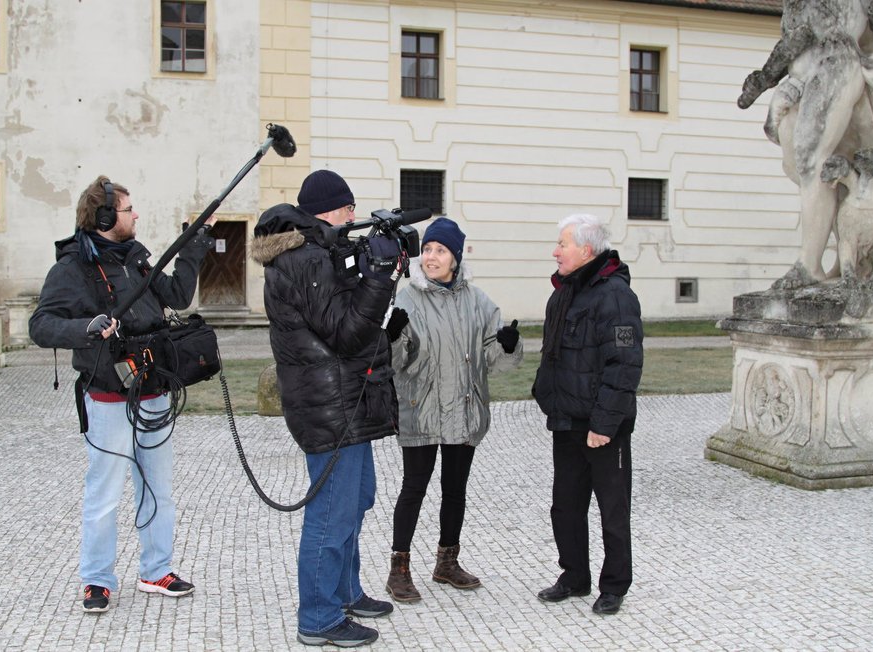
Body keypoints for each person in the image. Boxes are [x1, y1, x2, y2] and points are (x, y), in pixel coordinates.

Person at [28, 176, 215, 613]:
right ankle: (97, 579)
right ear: (106, 216)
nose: (136, 215)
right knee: (105, 491)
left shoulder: (136, 260)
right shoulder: (71, 269)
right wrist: (85, 327)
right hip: (109, 396)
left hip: (154, 389)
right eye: (129, 209)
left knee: (158, 488)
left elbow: (177, 296)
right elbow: (41, 325)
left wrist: (193, 245)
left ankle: (156, 570)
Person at [250, 170, 402, 648]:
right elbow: (346, 332)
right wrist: (378, 277)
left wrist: (368, 272)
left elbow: (343, 318)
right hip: (329, 405)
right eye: (348, 207)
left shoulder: (316, 253)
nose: (354, 217)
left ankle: (345, 591)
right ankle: (318, 616)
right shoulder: (305, 258)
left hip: (341, 398)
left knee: (356, 500)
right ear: (330, 209)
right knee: (331, 514)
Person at [384, 217, 523, 603]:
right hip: (421, 408)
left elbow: (495, 360)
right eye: (427, 249)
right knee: (413, 488)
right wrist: (392, 337)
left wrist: (508, 345)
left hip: (464, 409)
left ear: (455, 258)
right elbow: (394, 362)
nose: (430, 257)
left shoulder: (478, 302)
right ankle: (399, 569)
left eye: (440, 250)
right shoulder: (407, 297)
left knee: (455, 490)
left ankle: (447, 562)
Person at [737, 0, 873, 289]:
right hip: (811, 74)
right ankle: (842, 262)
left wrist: (763, 79)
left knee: (814, 162)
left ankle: (810, 264)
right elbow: (796, 39)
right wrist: (764, 79)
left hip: (837, 64)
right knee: (814, 168)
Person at [532, 213, 643, 616]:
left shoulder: (615, 296)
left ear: (586, 250)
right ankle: (574, 576)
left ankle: (614, 585)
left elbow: (624, 364)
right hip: (567, 421)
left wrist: (603, 424)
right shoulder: (563, 292)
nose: (555, 251)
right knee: (566, 506)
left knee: (612, 509)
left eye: (563, 243)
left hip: (602, 427)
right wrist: (545, 394)